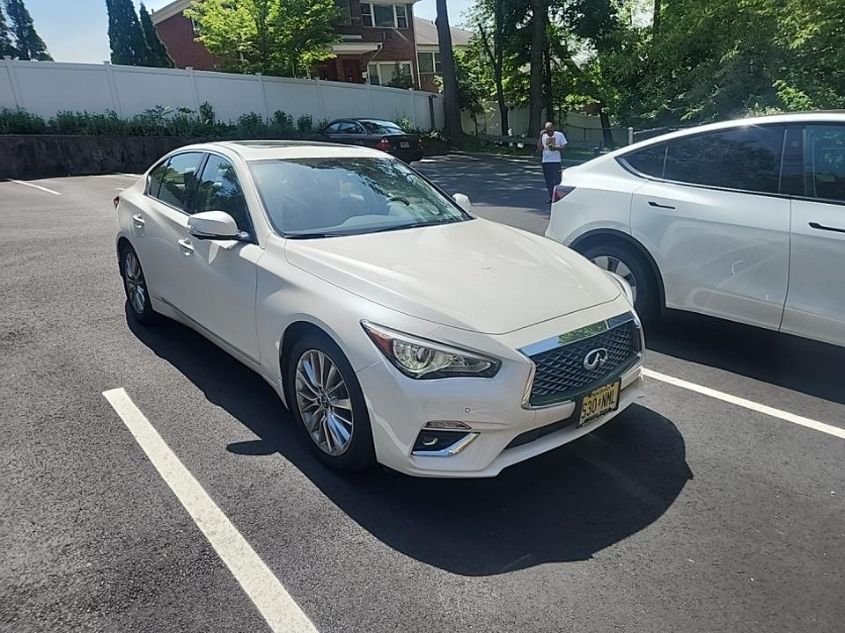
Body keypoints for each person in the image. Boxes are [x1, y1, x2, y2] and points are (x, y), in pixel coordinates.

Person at [537, 122, 568, 203]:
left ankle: (559, 197)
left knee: (557, 180)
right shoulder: (543, 136)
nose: (549, 133)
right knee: (549, 181)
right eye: (547, 131)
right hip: (546, 161)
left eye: (550, 131)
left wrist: (556, 148)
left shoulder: (559, 135)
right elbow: (539, 148)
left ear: (553, 128)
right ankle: (551, 197)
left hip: (556, 161)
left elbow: (564, 146)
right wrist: (540, 136)